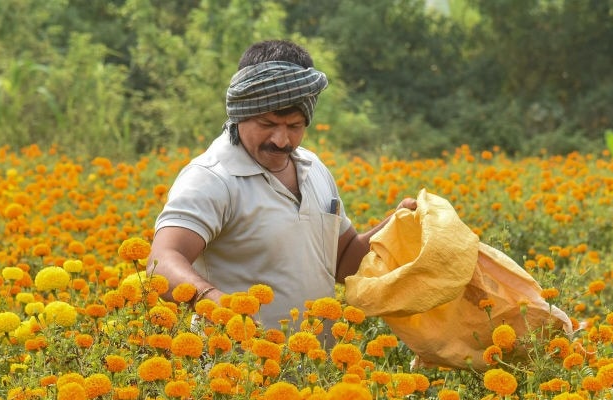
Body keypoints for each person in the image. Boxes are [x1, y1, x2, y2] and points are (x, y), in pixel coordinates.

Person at [148, 39, 415, 332]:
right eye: (267, 123)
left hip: (319, 371)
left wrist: (395, 226)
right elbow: (162, 261)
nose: (281, 140)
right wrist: (215, 302)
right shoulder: (212, 177)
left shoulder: (314, 169)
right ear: (240, 113)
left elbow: (343, 261)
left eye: (294, 126)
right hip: (237, 369)